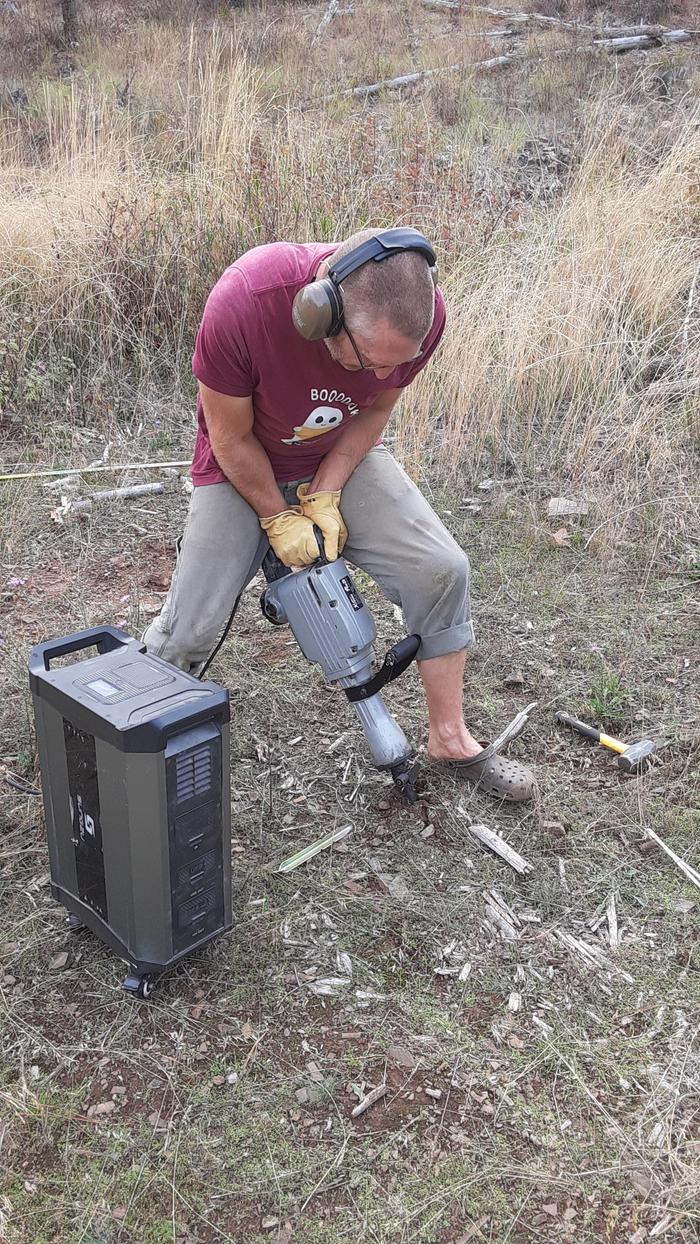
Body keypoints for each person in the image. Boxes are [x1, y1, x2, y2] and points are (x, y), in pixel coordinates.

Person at [143, 227, 535, 801]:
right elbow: (230, 439)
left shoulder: (417, 320)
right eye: (367, 359)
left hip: (334, 457)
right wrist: (280, 518)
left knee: (441, 567)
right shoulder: (245, 303)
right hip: (241, 465)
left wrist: (324, 492)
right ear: (319, 314)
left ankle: (449, 738)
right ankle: (130, 735)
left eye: (391, 364)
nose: (379, 374)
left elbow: (375, 409)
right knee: (192, 628)